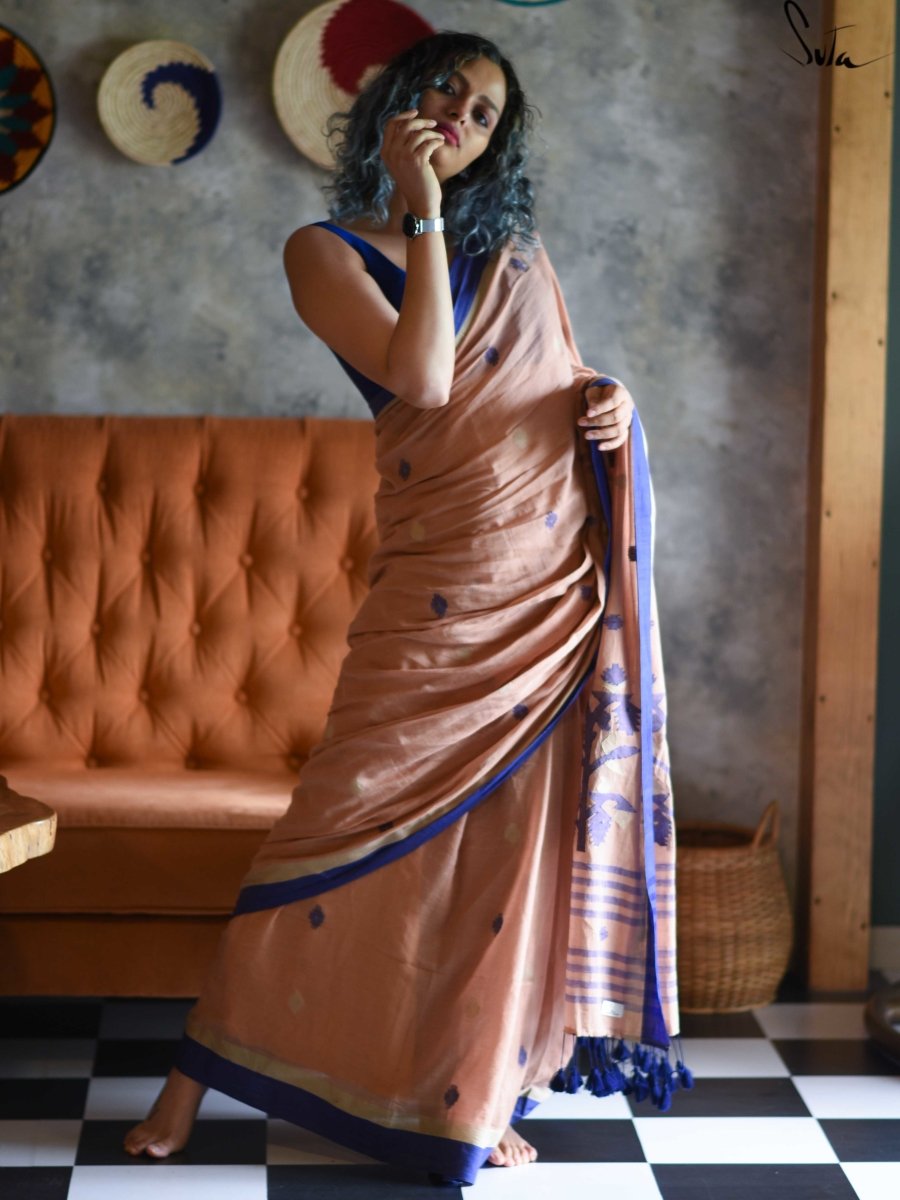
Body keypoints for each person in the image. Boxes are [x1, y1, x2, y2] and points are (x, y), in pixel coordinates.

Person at [124, 30, 690, 1186]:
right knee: (331, 827)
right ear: (393, 100)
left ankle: (473, 1090)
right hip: (440, 596)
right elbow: (424, 377)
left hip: (547, 592)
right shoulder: (323, 250)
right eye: (446, 91)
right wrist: (421, 206)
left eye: (486, 113)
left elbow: (556, 383)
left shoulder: (521, 255)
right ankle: (188, 1084)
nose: (463, 117)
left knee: (505, 859)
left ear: (499, 145)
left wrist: (613, 406)